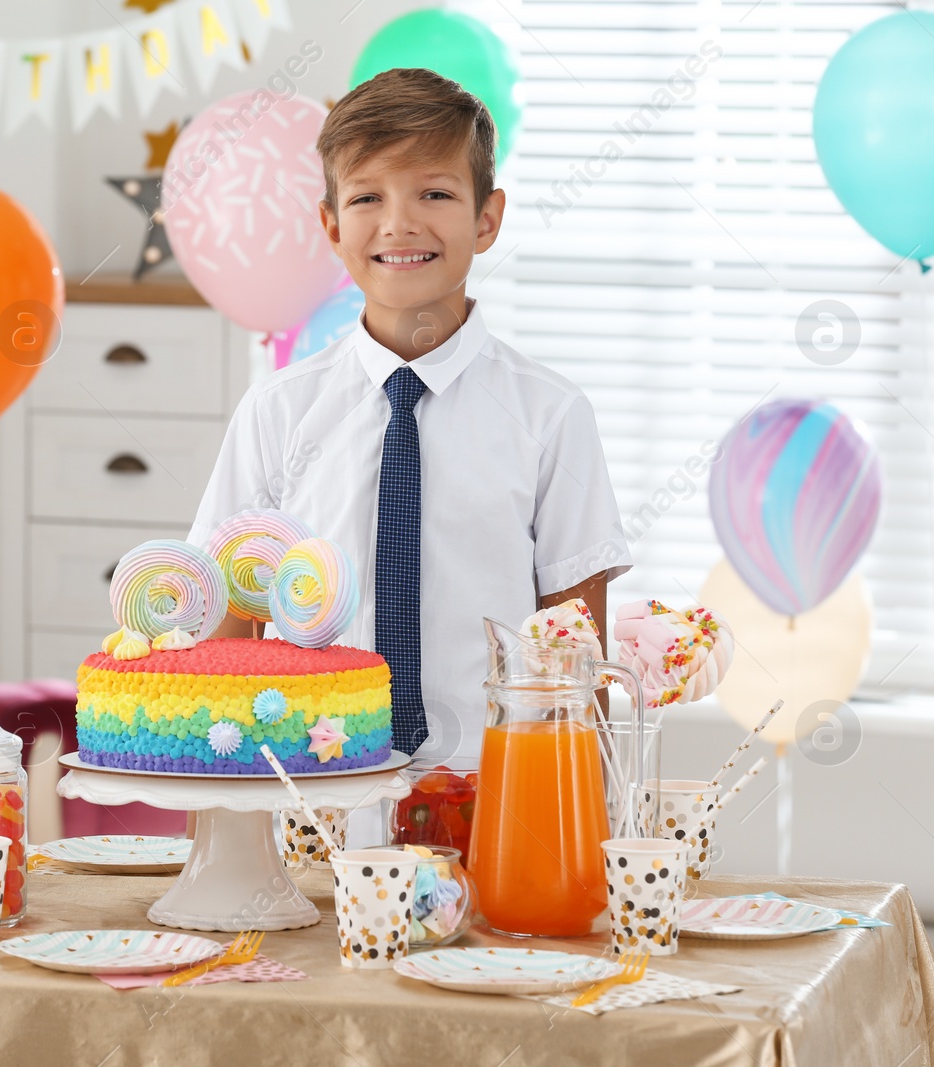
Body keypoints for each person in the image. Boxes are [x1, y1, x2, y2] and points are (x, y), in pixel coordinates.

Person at [189, 67, 630, 763]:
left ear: (487, 219)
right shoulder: (276, 413)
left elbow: (578, 661)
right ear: (331, 226)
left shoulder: (551, 415)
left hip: (493, 802)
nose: (400, 222)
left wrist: (575, 832)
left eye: (435, 192)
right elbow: (226, 640)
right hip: (309, 806)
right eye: (368, 196)